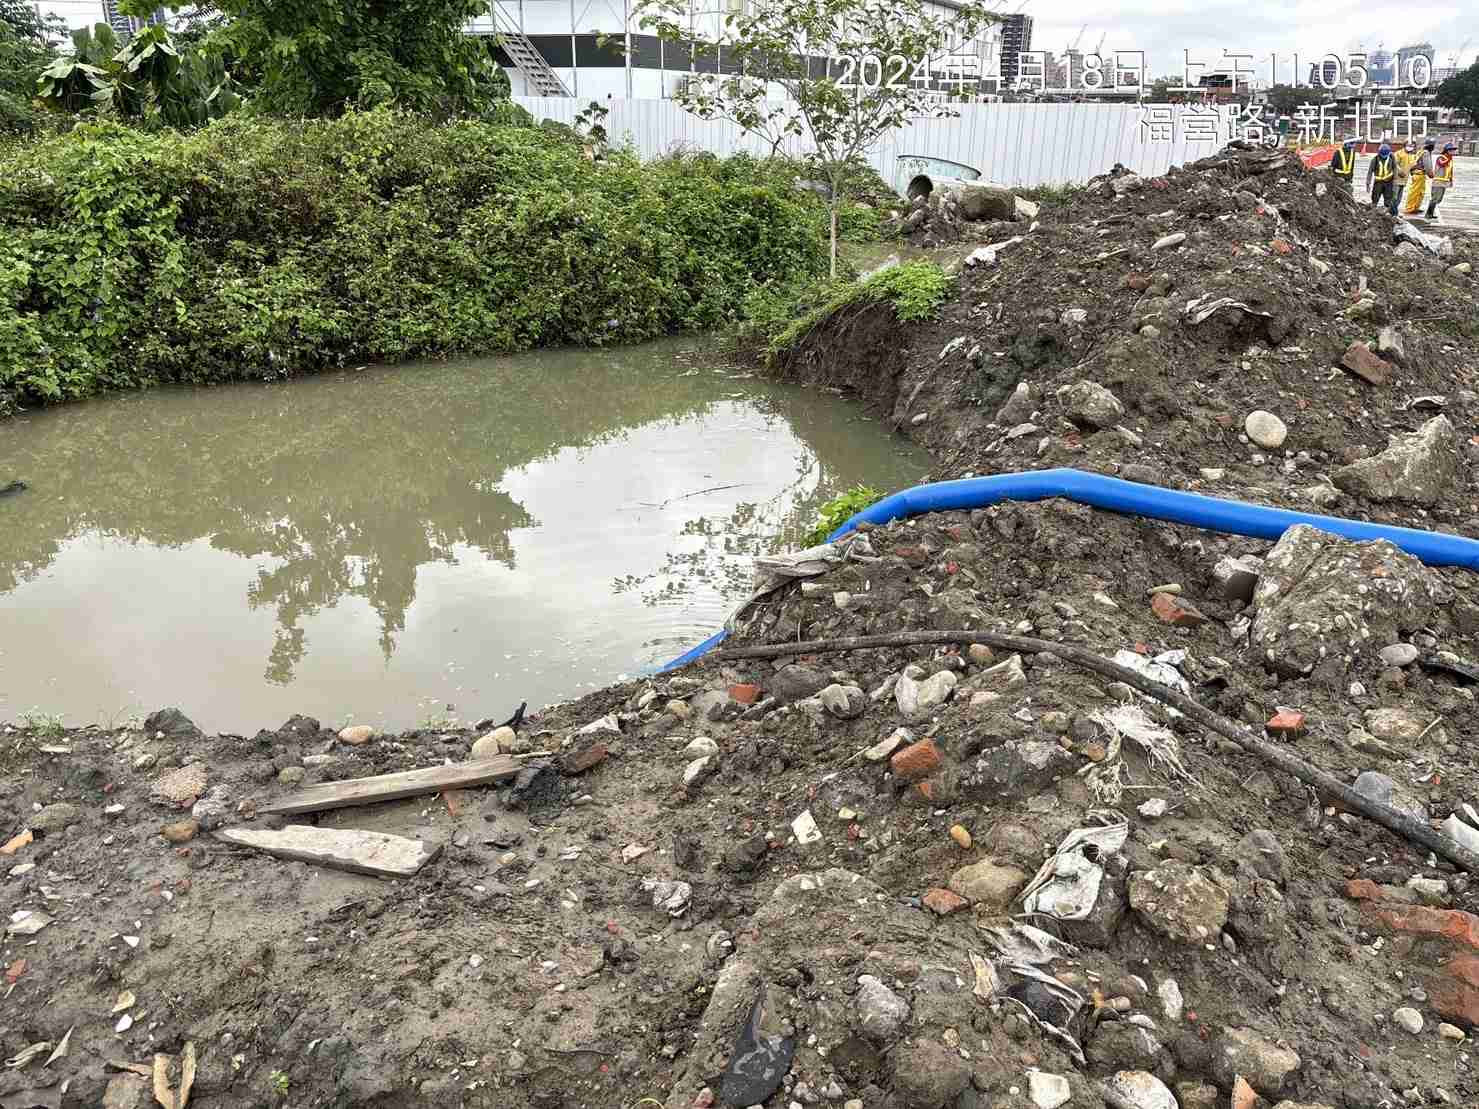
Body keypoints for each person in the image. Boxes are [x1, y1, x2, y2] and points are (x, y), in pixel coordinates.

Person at [1403, 138, 1436, 215]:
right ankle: (1409, 208)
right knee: (1414, 192)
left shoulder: (1420, 151)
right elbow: (1427, 165)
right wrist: (1431, 174)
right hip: (1419, 175)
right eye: (1433, 145)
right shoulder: (1426, 153)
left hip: (1418, 174)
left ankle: (1415, 207)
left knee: (1420, 193)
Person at [1367, 143, 1400, 215]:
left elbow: (1395, 169)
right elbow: (1370, 172)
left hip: (1389, 182)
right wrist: (1368, 183)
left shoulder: (1392, 158)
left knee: (1388, 199)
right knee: (1375, 197)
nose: (1384, 156)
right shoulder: (1375, 159)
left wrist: (1395, 181)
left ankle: (1388, 213)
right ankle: (1373, 212)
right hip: (1378, 182)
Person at [1426, 142, 1456, 221]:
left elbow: (1450, 170)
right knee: (1435, 198)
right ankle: (1429, 214)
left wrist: (1451, 180)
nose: (1453, 151)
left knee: (1439, 199)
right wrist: (1449, 158)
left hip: (1444, 182)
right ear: (1446, 150)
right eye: (1451, 150)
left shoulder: (1450, 158)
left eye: (1453, 150)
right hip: (1438, 181)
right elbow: (1442, 164)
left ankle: (1430, 213)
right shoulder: (1441, 157)